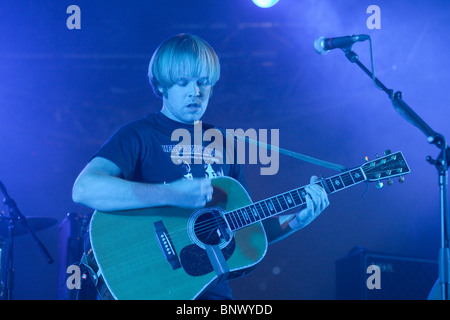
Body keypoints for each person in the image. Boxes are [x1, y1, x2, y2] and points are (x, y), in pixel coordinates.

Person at [72, 33, 330, 300]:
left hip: (212, 293)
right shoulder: (138, 135)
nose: (195, 92)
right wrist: (173, 193)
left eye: (203, 82)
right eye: (183, 83)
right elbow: (84, 189)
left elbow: (245, 228)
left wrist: (296, 221)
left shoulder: (222, 144)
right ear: (162, 86)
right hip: (153, 288)